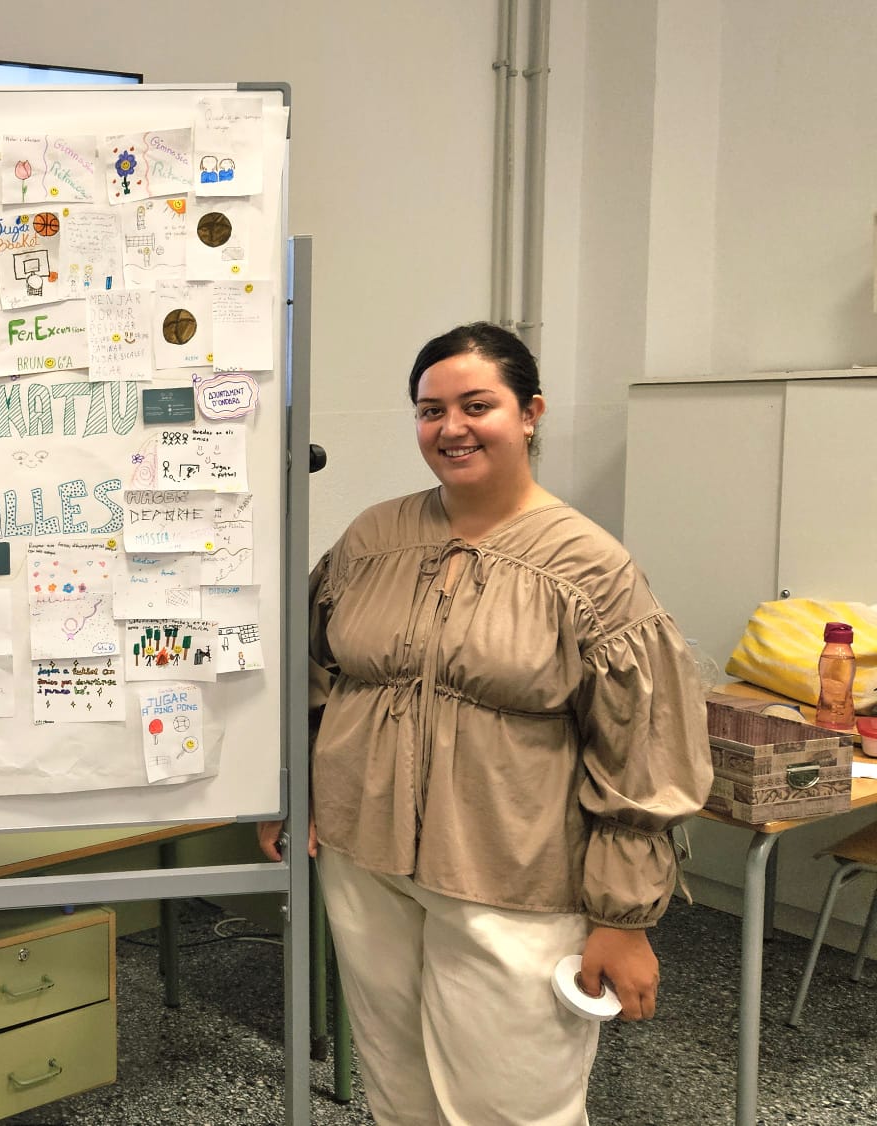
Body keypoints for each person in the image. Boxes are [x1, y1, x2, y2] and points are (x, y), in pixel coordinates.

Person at [259, 322, 710, 1126]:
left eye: (477, 405)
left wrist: (623, 919)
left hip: (512, 878)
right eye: (430, 410)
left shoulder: (589, 566)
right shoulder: (372, 538)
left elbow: (643, 752)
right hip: (365, 858)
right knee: (398, 1088)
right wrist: (288, 790)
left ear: (530, 412)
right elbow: (309, 672)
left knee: (512, 1104)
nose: (451, 428)